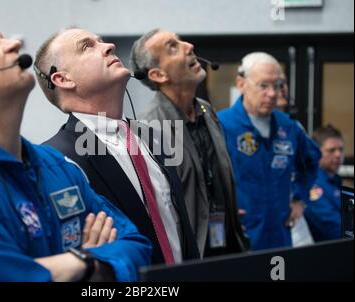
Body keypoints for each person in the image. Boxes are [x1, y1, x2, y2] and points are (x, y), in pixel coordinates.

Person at [0, 14, 151, 281]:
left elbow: (136, 245)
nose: (14, 44)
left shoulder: (55, 165)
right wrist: (89, 261)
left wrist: (78, 265)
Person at [34, 27, 199, 265]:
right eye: (87, 46)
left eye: (100, 41)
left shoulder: (153, 137)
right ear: (62, 79)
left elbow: (178, 227)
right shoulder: (56, 160)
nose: (109, 46)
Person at [129, 29, 249, 257]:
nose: (189, 46)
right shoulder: (147, 127)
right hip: (189, 254)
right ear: (158, 75)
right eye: (172, 47)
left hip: (228, 244)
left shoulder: (206, 110)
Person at [217, 52, 321, 250]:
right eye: (263, 85)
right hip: (239, 238)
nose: (273, 93)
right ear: (241, 83)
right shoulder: (221, 125)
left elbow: (311, 162)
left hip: (279, 235)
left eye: (278, 85)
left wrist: (300, 199)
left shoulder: (288, 127)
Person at [304, 125, 345, 241]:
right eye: (331, 150)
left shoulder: (336, 180)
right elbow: (334, 228)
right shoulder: (313, 185)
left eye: (341, 149)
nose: (338, 155)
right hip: (325, 253)